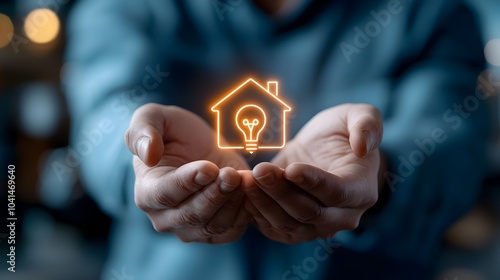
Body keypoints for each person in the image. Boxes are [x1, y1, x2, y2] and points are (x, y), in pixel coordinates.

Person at [63, 0, 490, 279]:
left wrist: (381, 172)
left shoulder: (429, 11)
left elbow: (452, 138)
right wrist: (143, 165)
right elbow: (106, 111)